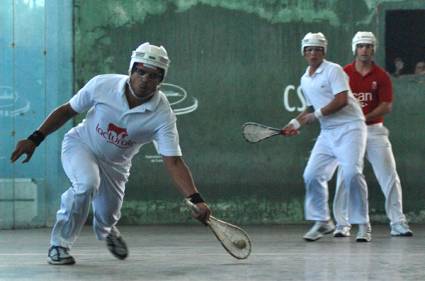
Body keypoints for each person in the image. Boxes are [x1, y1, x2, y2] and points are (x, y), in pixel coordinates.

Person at [10, 42, 211, 265]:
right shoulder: (102, 85)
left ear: (160, 81)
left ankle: (106, 229)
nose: (145, 79)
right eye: (140, 71)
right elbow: (67, 110)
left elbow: (173, 161)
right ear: (131, 70)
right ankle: (59, 245)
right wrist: (34, 138)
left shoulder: (163, 116)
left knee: (107, 215)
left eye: (153, 75)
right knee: (86, 185)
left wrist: (195, 199)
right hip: (81, 146)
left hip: (116, 166)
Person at [282, 32, 371, 242]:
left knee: (351, 174)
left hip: (351, 128)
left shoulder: (334, 70)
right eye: (309, 49)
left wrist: (317, 116)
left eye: (317, 50)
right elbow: (311, 106)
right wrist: (295, 123)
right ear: (304, 53)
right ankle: (322, 221)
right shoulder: (305, 79)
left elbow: (341, 100)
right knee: (312, 175)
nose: (313, 53)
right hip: (328, 132)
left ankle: (363, 225)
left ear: (324, 52)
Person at [332, 31, 413, 238]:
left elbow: (386, 106)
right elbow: (336, 101)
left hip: (375, 131)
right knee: (345, 176)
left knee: (389, 176)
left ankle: (398, 223)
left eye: (368, 46)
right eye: (361, 46)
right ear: (355, 49)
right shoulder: (343, 73)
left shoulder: (382, 76)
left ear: (373, 50)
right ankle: (342, 225)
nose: (364, 50)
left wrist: (363, 118)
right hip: (350, 132)